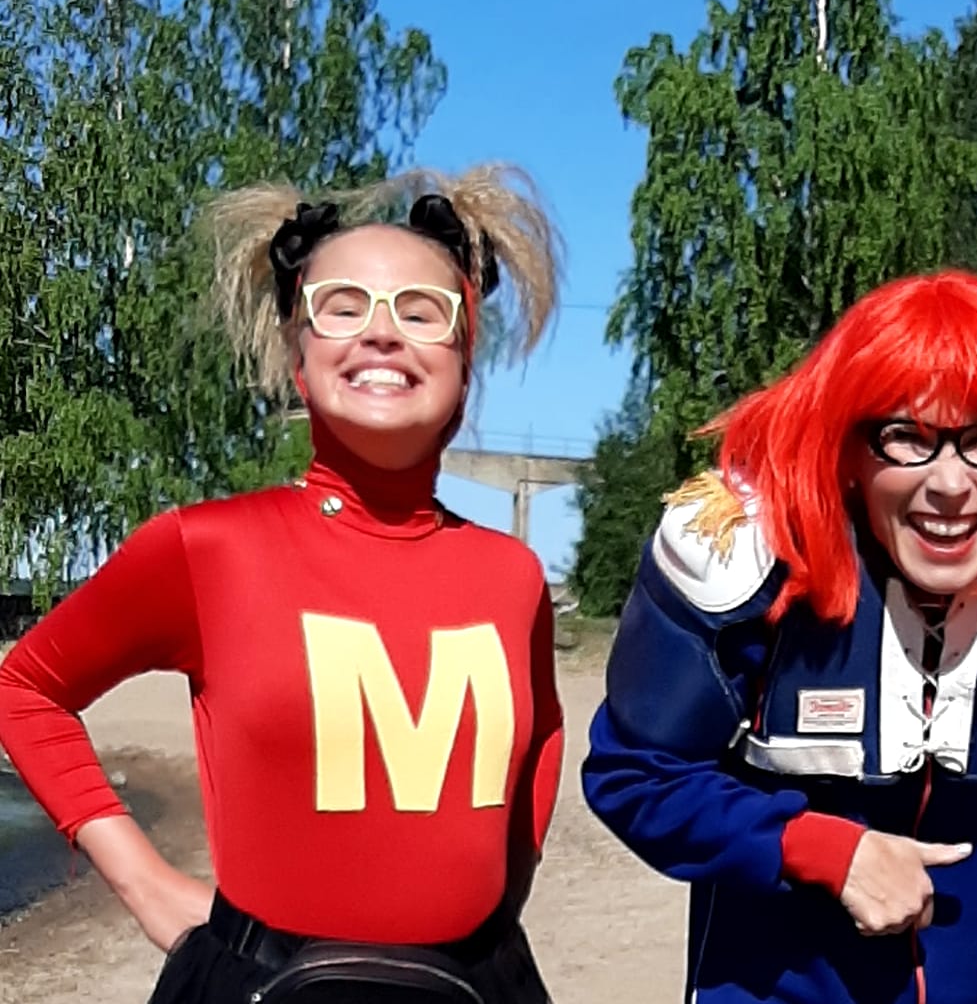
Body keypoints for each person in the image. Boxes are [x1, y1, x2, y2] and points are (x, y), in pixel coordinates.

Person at [0, 165, 568, 1003]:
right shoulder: (207, 549)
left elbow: (543, 737)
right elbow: (27, 690)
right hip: (263, 984)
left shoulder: (511, 574)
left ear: (464, 360)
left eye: (422, 312)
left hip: (481, 984)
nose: (382, 333)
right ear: (300, 358)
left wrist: (502, 897)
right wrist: (145, 883)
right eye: (343, 307)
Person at [581, 270, 977, 1004]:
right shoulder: (747, 560)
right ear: (849, 449)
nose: (950, 486)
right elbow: (636, 774)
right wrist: (817, 849)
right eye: (906, 437)